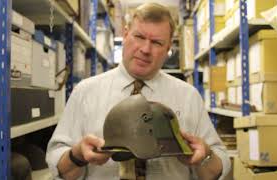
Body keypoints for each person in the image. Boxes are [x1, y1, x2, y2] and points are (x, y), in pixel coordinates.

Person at [46, 2, 231, 180]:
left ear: (168, 49)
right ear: (125, 35)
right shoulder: (85, 92)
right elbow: (59, 168)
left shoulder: (188, 96)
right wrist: (76, 155)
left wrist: (205, 156)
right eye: (139, 37)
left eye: (157, 43)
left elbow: (217, 170)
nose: (145, 49)